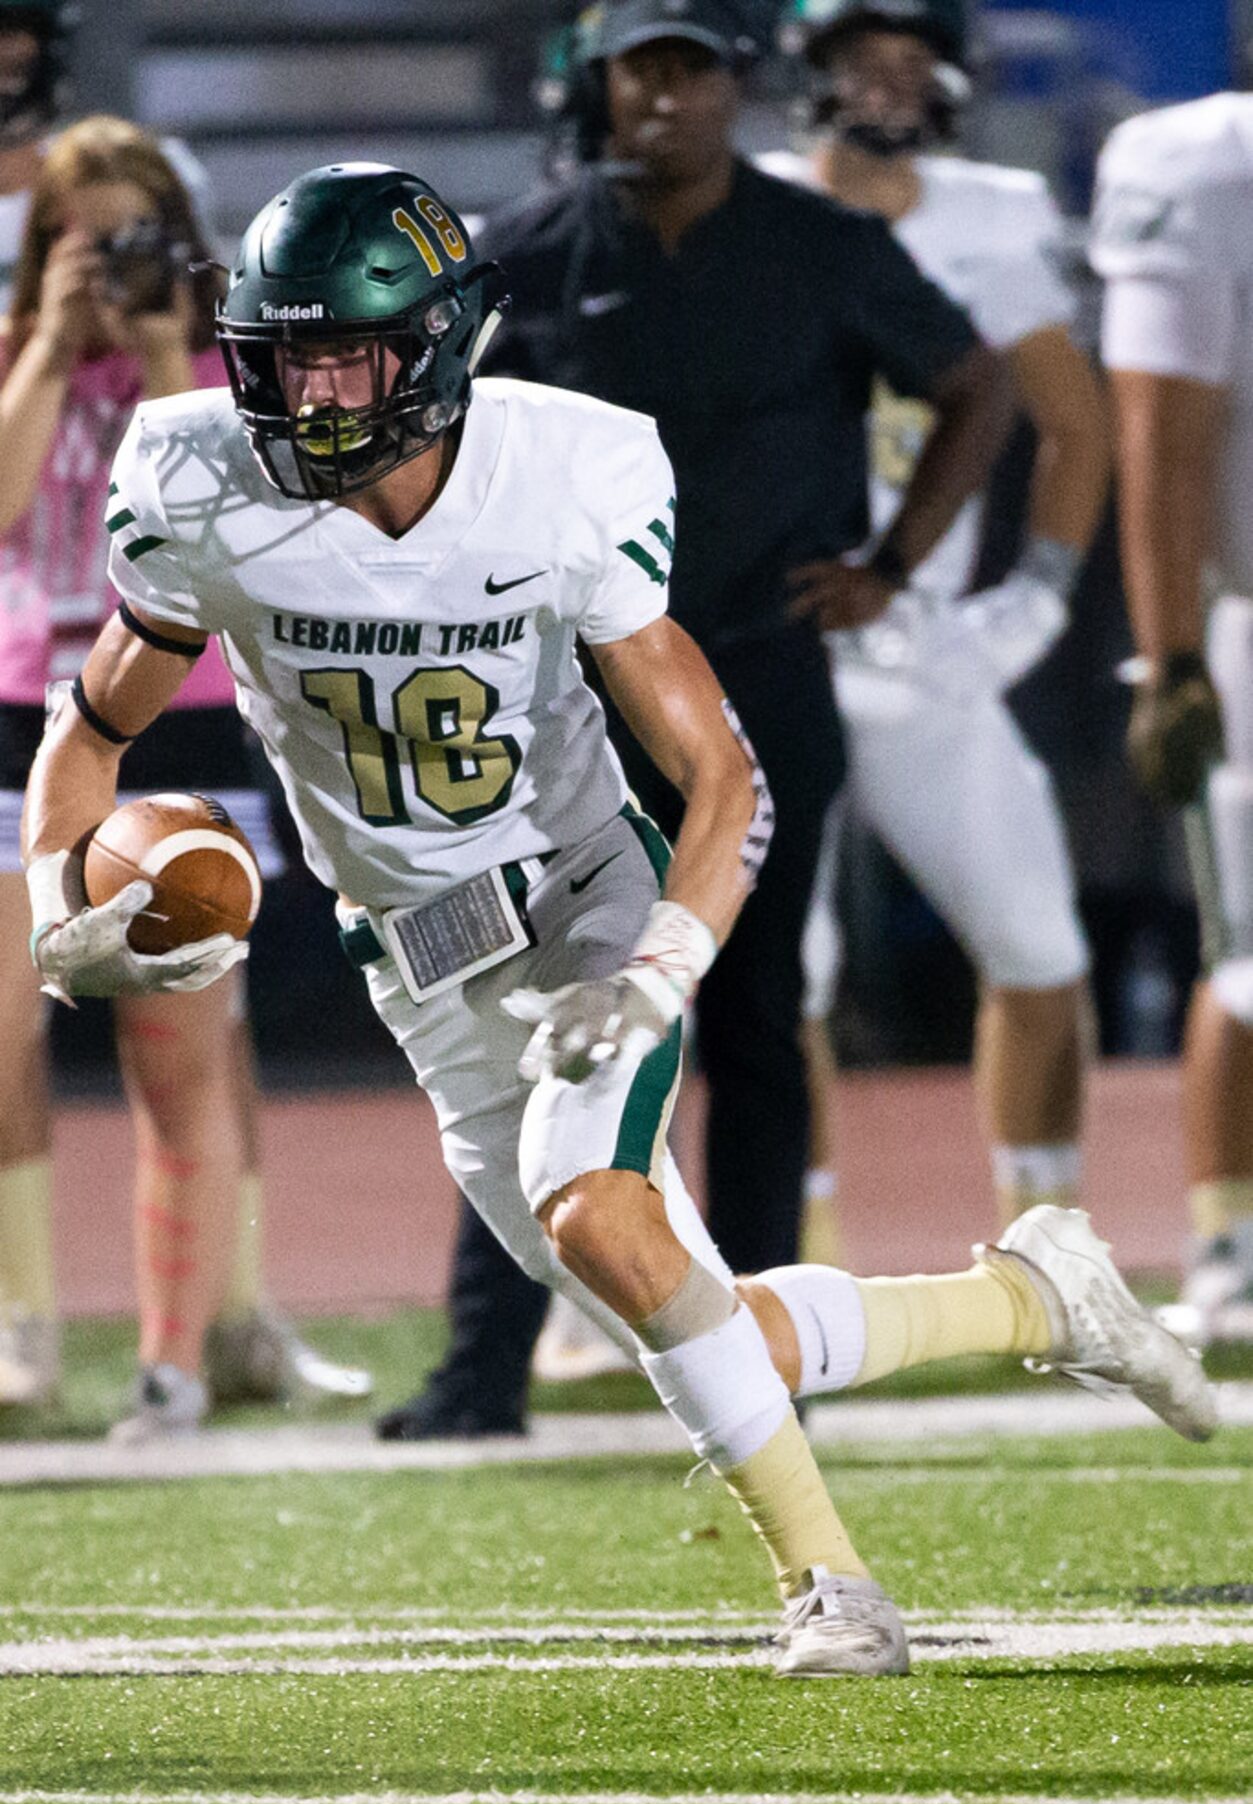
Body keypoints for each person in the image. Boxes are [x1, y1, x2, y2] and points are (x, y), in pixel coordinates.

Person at [20, 156, 1214, 1672]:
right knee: (672, 1299)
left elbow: (727, 780)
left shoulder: (561, 470)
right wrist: (67, 902)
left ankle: (834, 1589)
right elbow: (91, 731)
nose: (312, 397)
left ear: (444, 345)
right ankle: (1035, 1295)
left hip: (589, 898)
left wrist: (655, 969)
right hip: (417, 953)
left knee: (596, 1209)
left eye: (350, 355)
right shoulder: (197, 481)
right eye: (284, 356)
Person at [376, 0, 1018, 1436]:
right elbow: (426, 444)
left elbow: (978, 386)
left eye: (690, 67)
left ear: (736, 85)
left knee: (752, 1011)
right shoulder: (523, 253)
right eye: (637, 71)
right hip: (568, 704)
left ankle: (758, 1350)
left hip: (762, 675)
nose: (664, 97)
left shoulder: (821, 244)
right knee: (532, 1016)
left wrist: (892, 565)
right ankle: (483, 1369)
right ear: (594, 89)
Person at [0, 113, 369, 1427]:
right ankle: (24, 1327)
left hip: (186, 709)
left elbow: (205, 514)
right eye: (77, 238)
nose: (105, 261)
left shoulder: (225, 366)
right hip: (25, 705)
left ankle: (193, 1343)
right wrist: (48, 339)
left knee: (190, 1044)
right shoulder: (14, 349)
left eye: (131, 235)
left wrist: (164, 345)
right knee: (1, 1031)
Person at [766, 0, 1108, 1256]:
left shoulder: (992, 216)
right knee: (770, 981)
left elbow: (1075, 421)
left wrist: (1038, 595)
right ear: (809, 68)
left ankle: (1047, 1253)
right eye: (863, 57)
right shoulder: (747, 207)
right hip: (770, 647)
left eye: (911, 59)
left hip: (927, 646)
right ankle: (794, 1257)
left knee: (1034, 944)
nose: (889, 83)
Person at [1092, 89, 1253, 1345]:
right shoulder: (1203, 167)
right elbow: (1158, 430)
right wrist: (1172, 657)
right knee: (1248, 960)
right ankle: (1227, 1239)